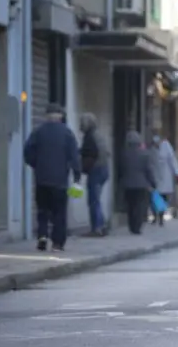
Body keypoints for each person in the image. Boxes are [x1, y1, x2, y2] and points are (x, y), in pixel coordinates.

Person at [24, 103, 81, 252]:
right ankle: (57, 243)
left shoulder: (38, 132)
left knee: (42, 209)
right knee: (59, 212)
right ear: (61, 116)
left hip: (42, 178)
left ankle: (42, 236)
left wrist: (36, 164)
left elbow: (28, 152)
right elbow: (74, 156)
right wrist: (76, 176)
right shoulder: (67, 133)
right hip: (60, 180)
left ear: (46, 115)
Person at [79, 113, 112, 236]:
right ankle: (101, 225)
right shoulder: (99, 135)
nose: (80, 125)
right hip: (104, 170)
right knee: (96, 200)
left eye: (82, 123)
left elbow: (91, 153)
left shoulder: (90, 136)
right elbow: (107, 152)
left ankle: (97, 228)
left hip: (96, 171)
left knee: (93, 200)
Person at [120, 131, 156, 234]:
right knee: (139, 206)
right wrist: (153, 182)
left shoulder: (124, 154)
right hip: (141, 184)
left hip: (128, 184)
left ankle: (131, 225)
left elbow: (121, 169)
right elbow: (148, 170)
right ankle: (137, 226)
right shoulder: (144, 154)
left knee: (130, 206)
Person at [148, 129, 178, 225]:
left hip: (165, 174)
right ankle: (154, 216)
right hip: (154, 174)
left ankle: (161, 217)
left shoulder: (166, 146)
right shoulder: (151, 147)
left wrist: (177, 172)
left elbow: (172, 159)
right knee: (154, 196)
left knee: (162, 197)